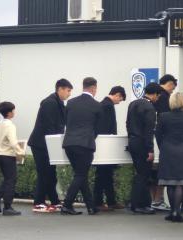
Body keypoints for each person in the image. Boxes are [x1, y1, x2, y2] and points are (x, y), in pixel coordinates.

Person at [28, 79, 73, 213]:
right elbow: (50, 126)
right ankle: (38, 202)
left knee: (50, 173)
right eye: (68, 91)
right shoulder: (49, 103)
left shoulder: (58, 103)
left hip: (48, 143)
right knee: (44, 173)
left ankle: (54, 201)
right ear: (60, 89)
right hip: (41, 144)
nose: (69, 94)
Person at [61, 77, 102, 215]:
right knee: (80, 174)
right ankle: (66, 205)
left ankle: (91, 207)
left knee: (81, 175)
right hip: (85, 144)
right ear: (93, 88)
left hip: (69, 143)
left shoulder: (71, 103)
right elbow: (98, 128)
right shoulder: (97, 105)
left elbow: (66, 122)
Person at [156, 92, 183, 223]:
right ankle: (176, 211)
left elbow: (158, 134)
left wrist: (162, 147)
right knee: (179, 182)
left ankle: (172, 211)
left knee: (169, 182)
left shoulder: (163, 116)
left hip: (167, 149)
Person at [126, 82, 162, 214]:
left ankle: (136, 202)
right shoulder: (150, 108)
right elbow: (149, 131)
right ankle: (139, 204)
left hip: (132, 141)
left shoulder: (133, 104)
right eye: (158, 96)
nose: (157, 99)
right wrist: (150, 150)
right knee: (144, 174)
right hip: (142, 143)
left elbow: (128, 124)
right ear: (154, 94)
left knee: (139, 173)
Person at [93, 86, 126, 211]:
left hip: (102, 145)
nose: (119, 102)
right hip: (106, 146)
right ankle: (100, 202)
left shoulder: (103, 104)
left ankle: (110, 201)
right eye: (120, 99)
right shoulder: (108, 106)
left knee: (105, 174)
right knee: (103, 175)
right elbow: (108, 128)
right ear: (117, 95)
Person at [152, 74, 177, 211]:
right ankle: (158, 200)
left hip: (151, 138)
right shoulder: (164, 97)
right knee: (161, 171)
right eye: (173, 86)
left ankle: (154, 200)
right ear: (169, 84)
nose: (173, 90)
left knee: (152, 172)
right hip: (160, 141)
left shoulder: (154, 95)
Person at [0, 102, 25, 216]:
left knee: (7, 179)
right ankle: (7, 207)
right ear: (9, 113)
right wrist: (21, 152)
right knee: (11, 180)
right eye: (13, 110)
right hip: (8, 155)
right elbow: (13, 142)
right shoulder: (10, 125)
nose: (14, 112)